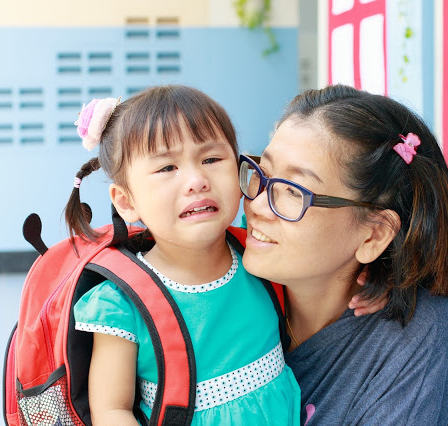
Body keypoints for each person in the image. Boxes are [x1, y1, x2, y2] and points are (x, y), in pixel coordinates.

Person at [65, 85, 303, 425]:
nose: (196, 180)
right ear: (126, 201)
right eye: (167, 168)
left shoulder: (261, 252)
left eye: (211, 159)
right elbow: (111, 410)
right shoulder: (121, 304)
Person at [240, 84, 448, 425]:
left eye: (292, 190)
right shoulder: (219, 284)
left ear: (374, 233)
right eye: (264, 172)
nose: (257, 206)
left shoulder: (411, 330)